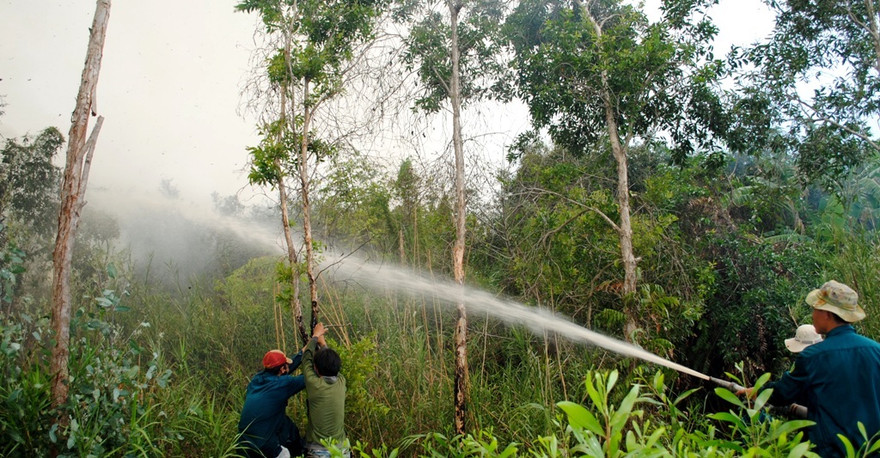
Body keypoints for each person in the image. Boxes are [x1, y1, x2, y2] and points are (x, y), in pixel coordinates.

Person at [739, 280, 880, 457]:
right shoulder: (876, 350)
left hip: (831, 452)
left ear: (827, 313)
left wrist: (758, 391)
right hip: (872, 451)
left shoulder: (815, 356)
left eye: (815, 309)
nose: (813, 315)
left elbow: (784, 393)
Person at [238, 349, 306, 458]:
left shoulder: (256, 379)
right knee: (285, 454)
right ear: (282, 369)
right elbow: (309, 378)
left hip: (243, 444)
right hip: (263, 446)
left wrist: (309, 345)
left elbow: (287, 370)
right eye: (286, 365)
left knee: (285, 423)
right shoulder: (282, 384)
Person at [303, 322, 349, 458]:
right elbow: (331, 364)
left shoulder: (314, 384)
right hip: (342, 450)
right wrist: (322, 343)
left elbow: (306, 358)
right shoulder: (341, 382)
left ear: (316, 369)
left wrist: (316, 336)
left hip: (318, 451)